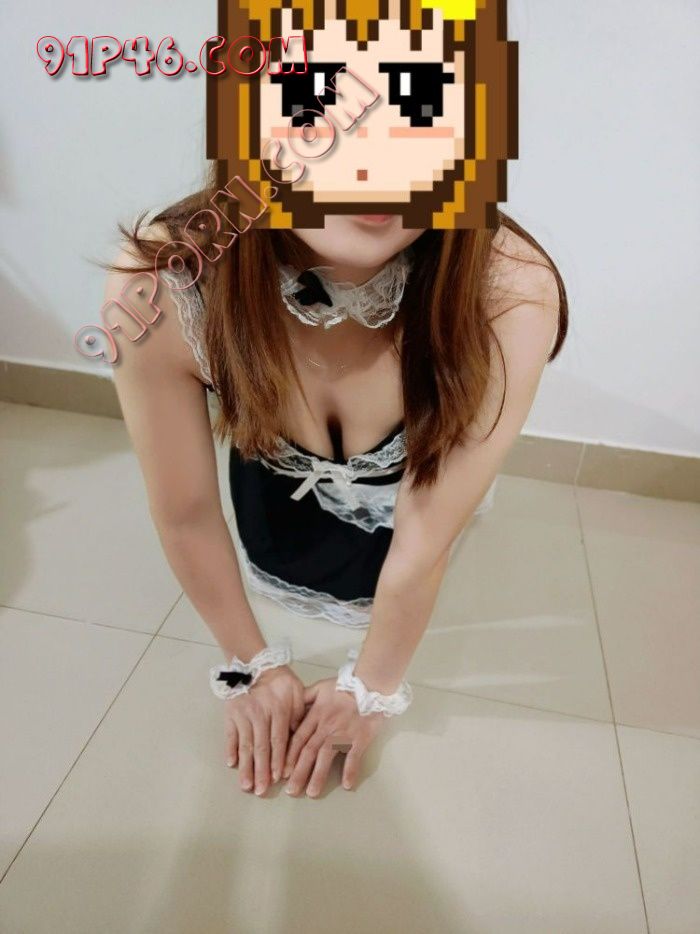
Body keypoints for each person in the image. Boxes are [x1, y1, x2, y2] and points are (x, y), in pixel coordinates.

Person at [106, 192, 567, 799]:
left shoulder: (509, 288)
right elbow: (185, 512)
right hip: (275, 510)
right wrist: (250, 667)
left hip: (411, 517)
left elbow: (426, 538)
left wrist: (370, 691)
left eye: (419, 137)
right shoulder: (165, 283)